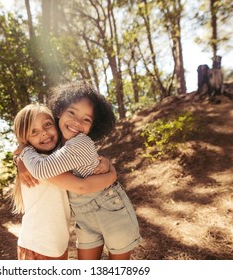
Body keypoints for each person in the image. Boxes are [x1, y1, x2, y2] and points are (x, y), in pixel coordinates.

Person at [16, 81, 141, 260]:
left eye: (86, 119)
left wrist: (24, 150)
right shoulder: (57, 145)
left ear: (92, 127)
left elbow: (44, 170)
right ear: (59, 111)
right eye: (72, 113)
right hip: (81, 218)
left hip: (110, 209)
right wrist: (19, 158)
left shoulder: (79, 142)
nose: (76, 122)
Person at [12, 104, 118, 260]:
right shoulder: (40, 167)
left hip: (54, 245)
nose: (43, 133)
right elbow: (82, 186)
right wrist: (113, 174)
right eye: (33, 131)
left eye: (47, 125)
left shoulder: (54, 160)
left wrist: (106, 162)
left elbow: (86, 163)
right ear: (25, 139)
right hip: (40, 247)